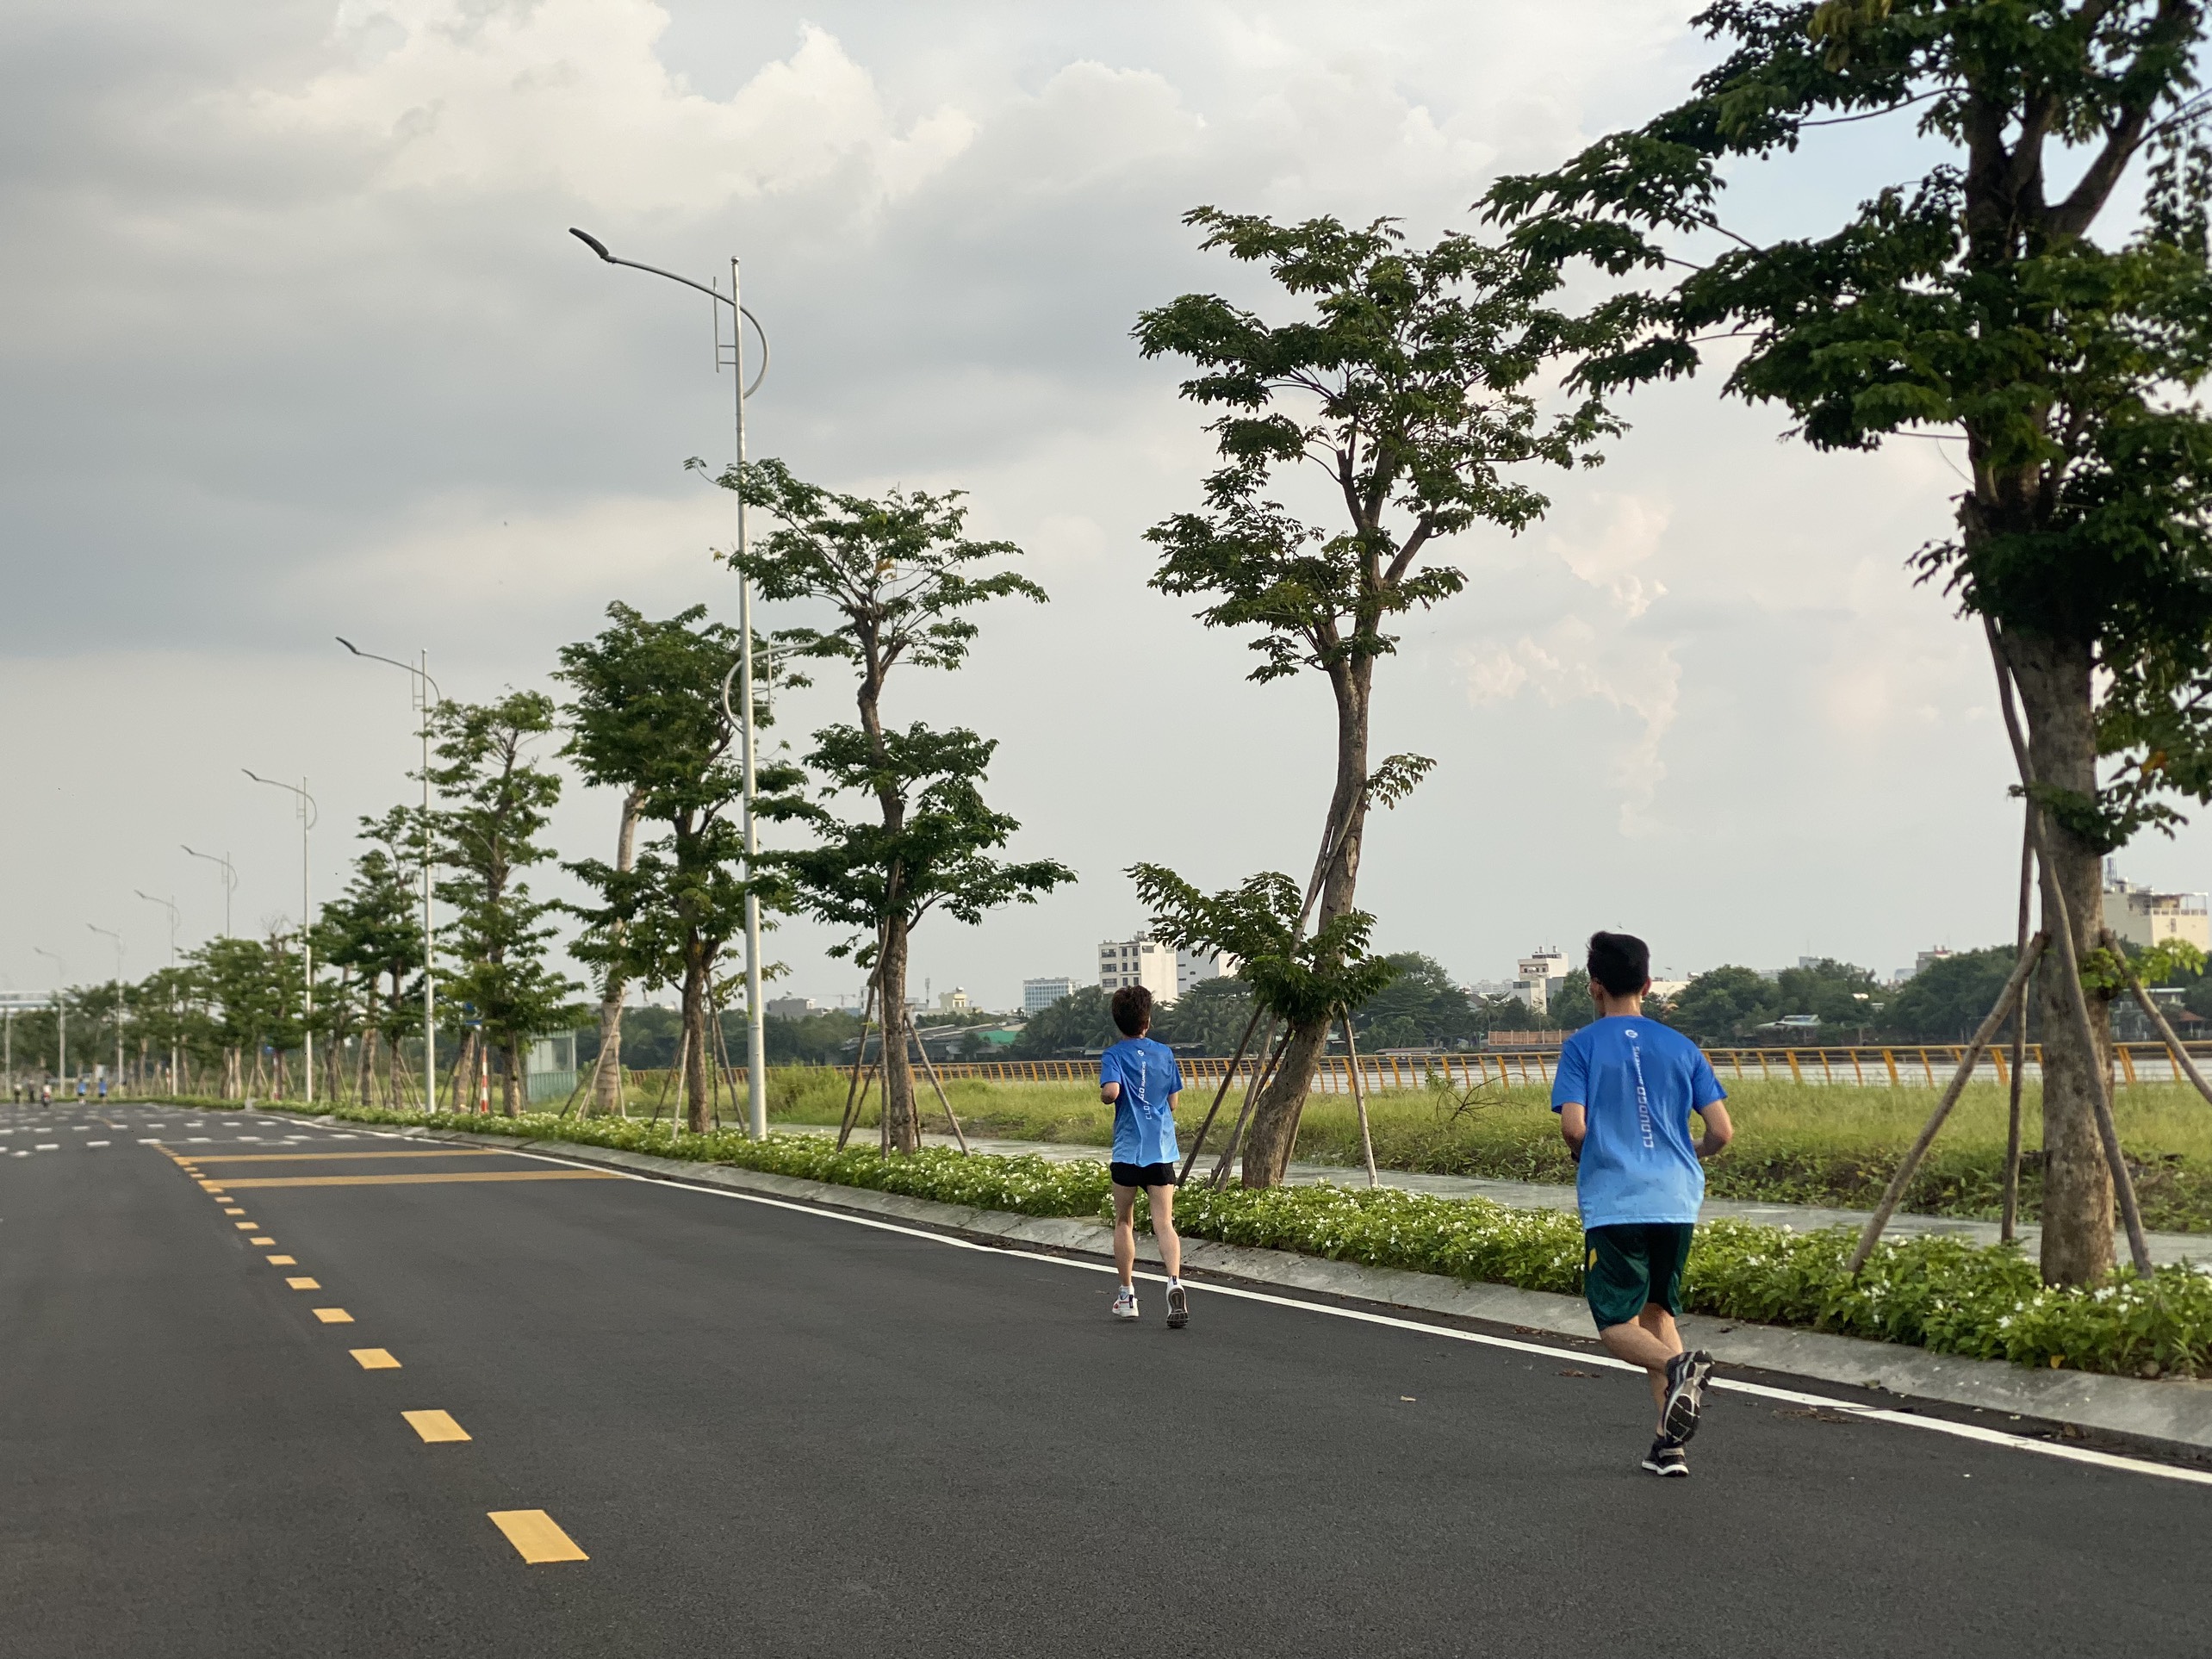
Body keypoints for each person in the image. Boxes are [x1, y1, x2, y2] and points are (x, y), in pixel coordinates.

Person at [1553, 930, 1734, 1477]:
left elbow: (1574, 1127)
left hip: (1617, 1201)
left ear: (1595, 988)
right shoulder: (1683, 1047)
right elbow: (1722, 1133)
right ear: (1649, 985)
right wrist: (1689, 1154)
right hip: (1677, 1198)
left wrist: (1590, 1154)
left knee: (1615, 1323)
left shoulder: (1582, 1045)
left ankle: (1681, 1367)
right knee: (1658, 1312)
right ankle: (1668, 1447)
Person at [1098, 984, 1190, 1328]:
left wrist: (1111, 1096)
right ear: (1147, 1020)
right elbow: (1174, 1101)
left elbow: (1111, 1092)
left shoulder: (1113, 1055)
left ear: (1118, 1022)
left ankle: (1127, 1296)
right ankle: (1174, 1282)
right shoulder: (1165, 1054)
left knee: (1124, 1221)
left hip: (1127, 1151)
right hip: (1161, 1150)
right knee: (1164, 1222)